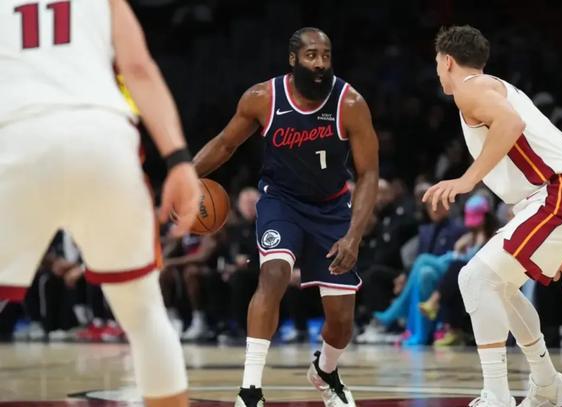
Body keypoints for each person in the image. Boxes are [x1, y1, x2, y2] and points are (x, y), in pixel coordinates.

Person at [0, 0, 201, 405]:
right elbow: (139, 69)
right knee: (145, 316)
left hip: (17, 137)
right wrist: (179, 160)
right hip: (101, 138)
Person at [194, 27, 379, 407]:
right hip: (282, 203)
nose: (320, 63)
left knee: (341, 321)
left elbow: (369, 174)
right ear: (293, 59)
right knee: (274, 275)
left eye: (326, 55)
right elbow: (226, 144)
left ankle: (325, 371)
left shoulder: (350, 103)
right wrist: (183, 177)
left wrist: (354, 236)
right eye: (312, 55)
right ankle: (250, 390)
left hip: (331, 209)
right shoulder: (263, 98)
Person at [424, 26, 562, 407]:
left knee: (475, 278)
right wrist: (561, 244)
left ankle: (497, 395)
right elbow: (524, 171)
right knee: (499, 287)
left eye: (437, 63)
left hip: (560, 193)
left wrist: (467, 179)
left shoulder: (470, 88)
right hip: (556, 198)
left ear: (448, 61)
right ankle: (548, 383)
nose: (438, 71)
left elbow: (511, 125)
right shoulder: (492, 87)